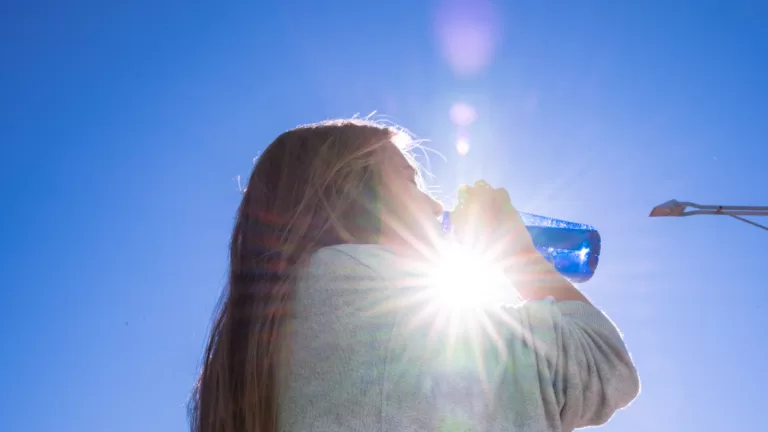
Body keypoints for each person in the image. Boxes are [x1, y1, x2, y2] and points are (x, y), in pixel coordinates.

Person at [189, 119, 640, 432]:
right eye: (411, 181)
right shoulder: (366, 289)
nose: (435, 204)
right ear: (352, 193)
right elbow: (603, 368)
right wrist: (515, 251)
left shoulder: (282, 326)